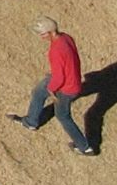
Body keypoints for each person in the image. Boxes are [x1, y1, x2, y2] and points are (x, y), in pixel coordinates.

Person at [14, 17, 95, 154]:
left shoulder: (56, 51)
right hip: (71, 80)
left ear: (51, 32)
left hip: (66, 88)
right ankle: (31, 122)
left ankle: (85, 147)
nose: (41, 37)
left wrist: (51, 90)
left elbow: (59, 78)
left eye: (42, 34)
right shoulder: (66, 38)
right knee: (38, 92)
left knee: (63, 116)